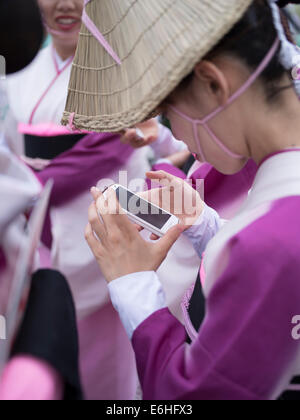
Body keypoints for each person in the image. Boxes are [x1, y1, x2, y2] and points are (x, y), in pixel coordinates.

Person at [80, 0, 300, 399]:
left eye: (167, 112)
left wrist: (133, 284)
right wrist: (204, 225)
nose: (177, 134)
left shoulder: (271, 245)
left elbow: (192, 395)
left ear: (213, 83)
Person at [3, 0, 200, 399]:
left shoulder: (121, 69)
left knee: (110, 366)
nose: (65, 5)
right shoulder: (16, 75)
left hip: (105, 229)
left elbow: (161, 137)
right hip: (36, 239)